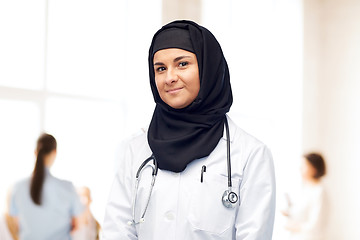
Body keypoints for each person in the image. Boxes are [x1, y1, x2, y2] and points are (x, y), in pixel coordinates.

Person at [103, 20, 276, 240]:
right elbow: (117, 231)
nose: (170, 77)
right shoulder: (135, 150)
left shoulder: (250, 154)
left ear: (208, 68)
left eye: (182, 64)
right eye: (161, 68)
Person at [9, 133, 84, 240]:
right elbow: (77, 225)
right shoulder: (67, 188)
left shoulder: (17, 187)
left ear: (35, 152)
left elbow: (16, 225)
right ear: (55, 152)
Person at [282, 152, 327, 240]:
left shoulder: (319, 192)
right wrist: (290, 213)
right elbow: (302, 213)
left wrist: (295, 227)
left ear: (314, 169)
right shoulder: (306, 189)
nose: (300, 169)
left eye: (304, 166)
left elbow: (316, 225)